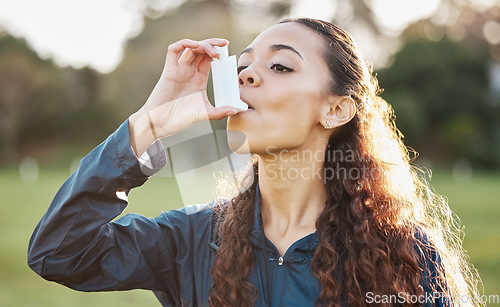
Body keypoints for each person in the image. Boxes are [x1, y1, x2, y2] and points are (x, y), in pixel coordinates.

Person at [28, 18, 481, 306]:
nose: (245, 76)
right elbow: (58, 253)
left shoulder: (404, 255)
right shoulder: (193, 240)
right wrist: (147, 125)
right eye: (241, 68)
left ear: (336, 110)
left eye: (281, 67)